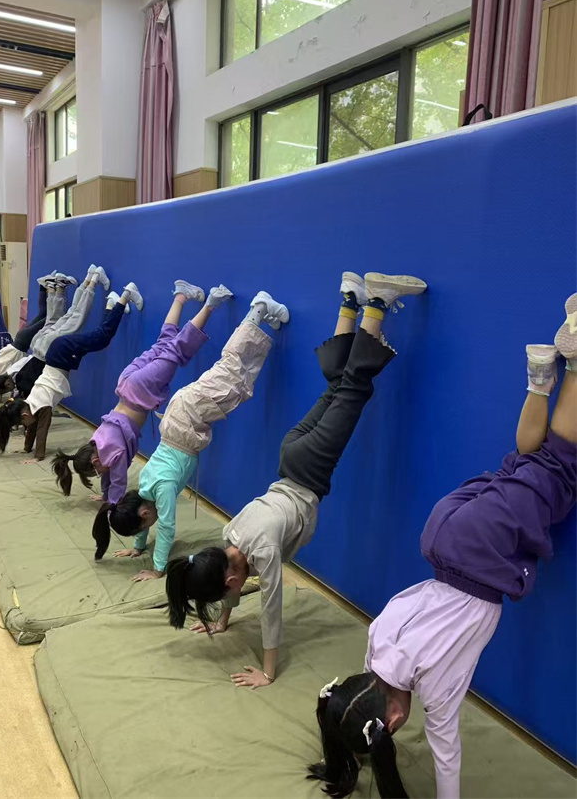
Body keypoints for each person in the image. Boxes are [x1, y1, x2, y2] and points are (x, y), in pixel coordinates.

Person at [308, 295, 577, 799]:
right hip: (441, 537)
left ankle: (576, 353)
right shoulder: (376, 646)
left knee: (560, 468)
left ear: (391, 722)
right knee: (522, 466)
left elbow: (446, 749)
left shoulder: (433, 688)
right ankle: (541, 374)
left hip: (479, 554)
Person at [164, 272, 427, 691]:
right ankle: (350, 299)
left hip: (310, 470)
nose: (232, 594)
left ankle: (376, 303)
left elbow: (271, 609)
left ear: (231, 581)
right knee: (337, 387)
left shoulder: (264, 553)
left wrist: (268, 672)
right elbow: (230, 584)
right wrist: (223, 621)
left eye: (229, 594)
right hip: (290, 456)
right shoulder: (230, 536)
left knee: (355, 388)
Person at [91, 290, 291, 578]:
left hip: (187, 418)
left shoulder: (161, 489)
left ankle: (258, 309)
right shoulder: (144, 489)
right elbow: (144, 518)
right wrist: (139, 547)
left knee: (231, 376)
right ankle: (261, 320)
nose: (148, 526)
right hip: (180, 419)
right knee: (238, 386)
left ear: (144, 515)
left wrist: (158, 568)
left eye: (144, 527)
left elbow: (166, 526)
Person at [52, 281, 232, 503]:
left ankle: (211, 303)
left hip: (140, 390)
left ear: (96, 462)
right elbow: (108, 475)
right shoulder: (97, 442)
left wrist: (111, 504)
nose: (101, 475)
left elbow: (118, 481)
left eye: (97, 473)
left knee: (177, 349)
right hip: (126, 382)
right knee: (165, 343)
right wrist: (105, 495)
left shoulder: (114, 452)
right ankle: (180, 296)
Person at [0, 278, 141, 461]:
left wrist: (38, 456)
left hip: (62, 353)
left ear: (24, 415)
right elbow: (33, 427)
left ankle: (125, 296)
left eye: (22, 424)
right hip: (57, 353)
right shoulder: (29, 405)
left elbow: (42, 430)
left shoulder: (42, 406)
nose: (25, 428)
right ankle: (111, 304)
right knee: (99, 337)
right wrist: (26, 448)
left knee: (103, 338)